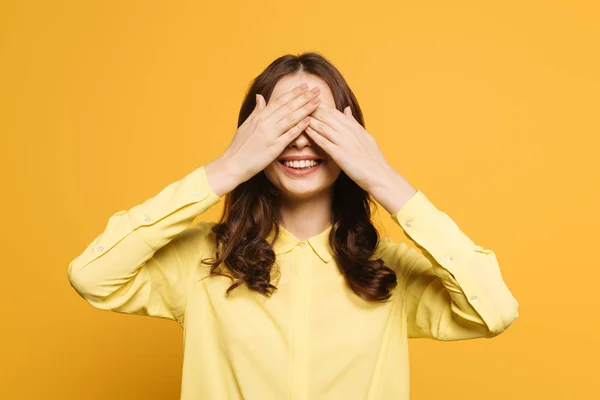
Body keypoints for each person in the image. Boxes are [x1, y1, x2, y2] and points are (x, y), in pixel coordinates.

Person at [68, 52, 519, 399]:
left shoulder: (388, 272)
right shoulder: (203, 261)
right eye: (282, 122)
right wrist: (227, 168)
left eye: (318, 121)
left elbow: (494, 311)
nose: (300, 138)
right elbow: (93, 276)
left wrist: (383, 177)